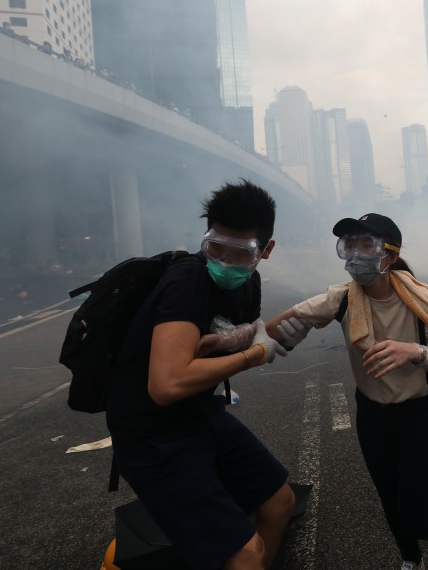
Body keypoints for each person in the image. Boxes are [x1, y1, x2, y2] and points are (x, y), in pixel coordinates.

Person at [105, 179, 295, 570]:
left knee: (280, 502)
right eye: (215, 247)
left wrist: (258, 334)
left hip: (198, 414)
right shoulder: (188, 279)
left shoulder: (250, 283)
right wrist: (254, 354)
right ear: (204, 237)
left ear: (266, 250)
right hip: (152, 434)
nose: (224, 261)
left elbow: (228, 333)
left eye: (240, 253)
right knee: (245, 552)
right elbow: (167, 384)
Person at [266, 213, 428, 570]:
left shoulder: (418, 300)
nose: (355, 255)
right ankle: (411, 559)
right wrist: (237, 342)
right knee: (389, 501)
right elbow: (274, 331)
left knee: (416, 509)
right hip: (372, 416)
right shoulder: (342, 298)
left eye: (367, 245)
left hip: (417, 415)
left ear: (390, 255)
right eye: (349, 245)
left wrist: (414, 351)